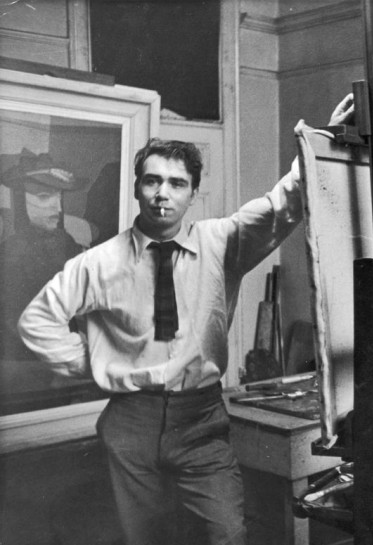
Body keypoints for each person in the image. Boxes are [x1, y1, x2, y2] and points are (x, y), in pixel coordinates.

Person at [17, 95, 355, 545]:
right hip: (131, 420)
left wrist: (322, 139)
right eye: (152, 181)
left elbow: (281, 206)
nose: (163, 193)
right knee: (146, 538)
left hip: (201, 421)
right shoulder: (98, 262)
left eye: (177, 183)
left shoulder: (222, 242)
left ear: (192, 193)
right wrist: (93, 362)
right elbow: (37, 321)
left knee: (226, 533)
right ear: (136, 188)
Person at [0, 151, 88, 410]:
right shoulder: (12, 251)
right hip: (28, 367)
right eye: (43, 197)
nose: (57, 208)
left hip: (66, 360)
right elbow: (14, 321)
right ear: (21, 201)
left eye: (59, 197)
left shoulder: (66, 242)